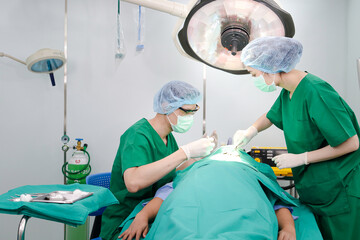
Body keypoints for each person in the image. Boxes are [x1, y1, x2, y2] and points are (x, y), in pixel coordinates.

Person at [233, 36, 360, 240]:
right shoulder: (289, 91)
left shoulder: (316, 91)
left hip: (341, 190)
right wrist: (251, 130)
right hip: (318, 190)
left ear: (270, 68)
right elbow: (271, 116)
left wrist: (303, 158)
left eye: (254, 74)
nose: (256, 79)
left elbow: (351, 143)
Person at [117, 146, 323, 240]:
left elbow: (276, 201)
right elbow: (165, 196)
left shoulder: (250, 170)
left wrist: (289, 228)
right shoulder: (194, 169)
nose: (229, 152)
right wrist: (143, 216)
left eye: (233, 152)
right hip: (187, 210)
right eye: (223, 150)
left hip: (245, 211)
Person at [100, 81, 216, 240]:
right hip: (126, 221)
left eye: (193, 113)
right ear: (165, 105)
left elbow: (171, 169)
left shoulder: (167, 137)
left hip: (153, 211)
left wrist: (201, 157)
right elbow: (133, 182)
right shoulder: (137, 135)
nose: (190, 118)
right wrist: (185, 152)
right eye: (186, 112)